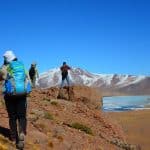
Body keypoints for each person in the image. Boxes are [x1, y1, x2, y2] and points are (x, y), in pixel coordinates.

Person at [0, 50, 31, 149]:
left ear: (6, 59)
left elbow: (1, 77)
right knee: (22, 116)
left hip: (9, 95)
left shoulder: (4, 68)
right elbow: (28, 79)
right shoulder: (21, 66)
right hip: (22, 94)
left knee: (12, 116)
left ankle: (13, 136)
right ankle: (21, 132)